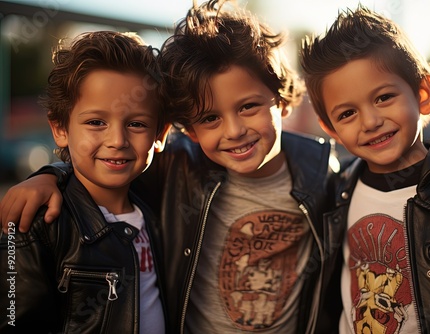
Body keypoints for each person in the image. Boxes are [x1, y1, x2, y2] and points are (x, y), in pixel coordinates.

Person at [0, 1, 339, 333]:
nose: (234, 131)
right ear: (190, 130)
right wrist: (51, 176)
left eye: (248, 106)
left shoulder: (324, 177)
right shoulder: (180, 171)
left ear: (280, 100)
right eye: (210, 118)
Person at [300, 5, 430, 334]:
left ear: (423, 94)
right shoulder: (336, 193)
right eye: (347, 113)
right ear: (330, 126)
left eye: (383, 97)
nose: (371, 121)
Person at [0, 31, 169, 333]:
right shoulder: (37, 224)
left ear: (160, 135)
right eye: (96, 122)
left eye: (136, 124)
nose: (117, 140)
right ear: (60, 128)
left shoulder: (162, 211)